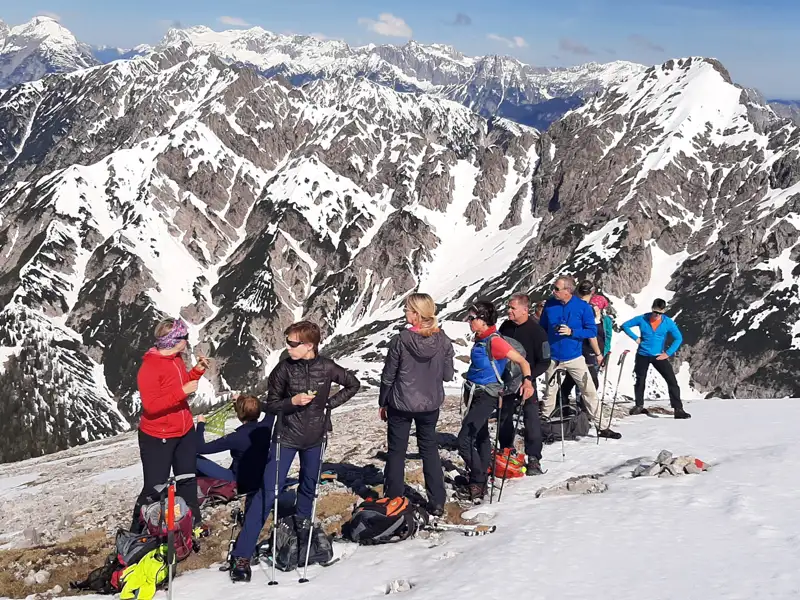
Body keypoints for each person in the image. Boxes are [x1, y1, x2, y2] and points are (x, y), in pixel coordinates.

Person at [229, 321, 360, 582]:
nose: (287, 347)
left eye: (292, 343)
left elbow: (352, 384)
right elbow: (271, 405)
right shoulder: (282, 370)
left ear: (309, 346)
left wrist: (327, 405)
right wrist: (293, 402)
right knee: (268, 492)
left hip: (315, 437)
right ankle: (241, 555)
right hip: (286, 437)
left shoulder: (327, 366)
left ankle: (302, 535)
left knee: (309, 487)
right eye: (287, 341)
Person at [379, 293, 454, 517]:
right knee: (429, 449)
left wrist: (383, 402)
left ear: (417, 314)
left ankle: (394, 499)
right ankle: (437, 500)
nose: (404, 313)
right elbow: (449, 375)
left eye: (407, 310)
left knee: (396, 451)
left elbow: (388, 376)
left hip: (401, 404)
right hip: (430, 404)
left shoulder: (401, 340)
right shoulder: (443, 340)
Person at [132, 317, 210, 534]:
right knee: (154, 487)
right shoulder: (149, 368)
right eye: (184, 337)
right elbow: (152, 406)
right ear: (173, 341)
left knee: (187, 478)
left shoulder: (175, 359)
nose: (187, 340)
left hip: (184, 430)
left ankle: (193, 523)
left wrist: (197, 371)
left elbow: (181, 382)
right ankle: (136, 531)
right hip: (158, 436)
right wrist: (182, 393)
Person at [458, 300, 534, 503]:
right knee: (481, 436)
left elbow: (522, 362)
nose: (469, 321)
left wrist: (527, 382)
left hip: (486, 396)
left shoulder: (495, 341)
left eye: (472, 318)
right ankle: (481, 477)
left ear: (483, 320)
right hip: (476, 393)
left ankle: (478, 479)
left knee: (464, 441)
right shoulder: (481, 337)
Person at [539, 276, 621, 439]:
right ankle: (543, 427)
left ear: (568, 291)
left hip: (575, 357)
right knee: (550, 392)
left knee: (588, 391)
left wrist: (572, 332)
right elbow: (542, 327)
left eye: (556, 289)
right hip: (553, 357)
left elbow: (591, 331)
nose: (553, 291)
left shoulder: (583, 307)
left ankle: (602, 427)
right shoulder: (550, 304)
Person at [497, 293, 549, 475]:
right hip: (507, 380)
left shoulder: (537, 332)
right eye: (508, 307)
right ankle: (506, 451)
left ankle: (534, 458)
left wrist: (529, 378)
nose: (508, 311)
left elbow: (545, 361)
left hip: (527, 382)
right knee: (504, 416)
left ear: (525, 310)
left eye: (512, 308)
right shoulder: (505, 327)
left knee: (531, 418)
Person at [621, 298, 691, 419]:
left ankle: (678, 409)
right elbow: (625, 325)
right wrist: (636, 338)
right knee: (640, 380)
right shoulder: (642, 318)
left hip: (659, 356)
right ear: (652, 309)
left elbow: (678, 338)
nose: (657, 315)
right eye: (655, 312)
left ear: (663, 311)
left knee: (672, 381)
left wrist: (668, 353)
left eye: (659, 313)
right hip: (642, 354)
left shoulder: (668, 322)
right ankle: (639, 406)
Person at [195, 395, 275, 491]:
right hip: (260, 479)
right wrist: (249, 403)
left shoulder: (235, 437)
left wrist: (200, 425)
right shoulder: (266, 427)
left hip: (238, 481)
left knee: (193, 458)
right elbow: (272, 409)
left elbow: (200, 448)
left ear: (239, 415)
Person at [560, 281, 605, 403]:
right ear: (592, 292)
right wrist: (598, 353)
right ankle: (584, 410)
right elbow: (592, 334)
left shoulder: (570, 305)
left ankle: (561, 404)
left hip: (572, 347)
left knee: (570, 379)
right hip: (586, 350)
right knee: (590, 382)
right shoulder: (588, 309)